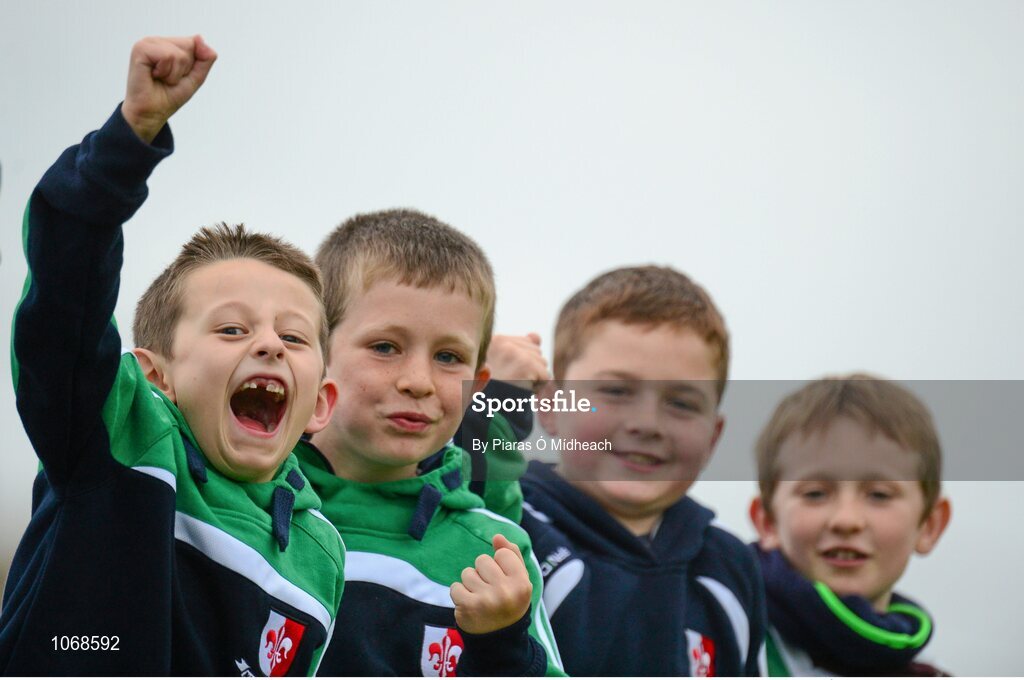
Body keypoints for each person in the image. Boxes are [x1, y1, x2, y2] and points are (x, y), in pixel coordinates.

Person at [1, 36, 344, 675]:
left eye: (294, 338)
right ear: (155, 376)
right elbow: (64, 305)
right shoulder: (121, 440)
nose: (268, 342)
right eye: (232, 331)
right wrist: (124, 147)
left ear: (321, 403)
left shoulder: (322, 551)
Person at [296, 209, 563, 676]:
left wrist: (503, 641)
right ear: (317, 353)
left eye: (447, 356)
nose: (418, 381)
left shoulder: (494, 551)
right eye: (385, 347)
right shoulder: (250, 507)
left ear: (477, 386)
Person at [520, 265, 766, 676]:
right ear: (549, 404)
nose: (647, 423)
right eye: (616, 391)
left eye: (682, 403)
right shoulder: (507, 532)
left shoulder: (731, 566)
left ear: (714, 436)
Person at [748, 375, 952, 676]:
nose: (846, 520)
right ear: (767, 521)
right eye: (815, 493)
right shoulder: (723, 638)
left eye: (879, 495)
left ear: (929, 525)